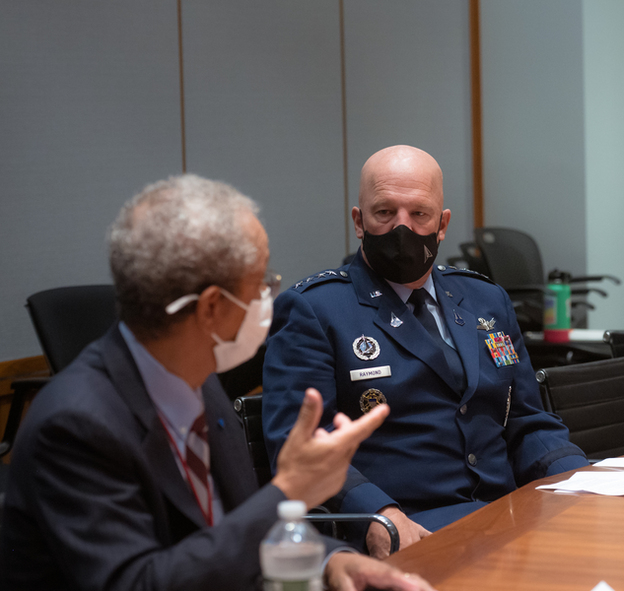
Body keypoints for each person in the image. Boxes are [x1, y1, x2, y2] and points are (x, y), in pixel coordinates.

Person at [0, 175, 434, 591]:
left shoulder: (199, 383)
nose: (271, 295)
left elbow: (234, 530)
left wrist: (331, 560)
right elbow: (140, 582)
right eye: (262, 283)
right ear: (211, 307)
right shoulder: (75, 426)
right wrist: (290, 490)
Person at [263, 145, 588, 558]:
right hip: (410, 526)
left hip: (508, 517)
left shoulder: (485, 299)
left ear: (442, 224)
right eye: (385, 212)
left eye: (419, 213)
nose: (403, 227)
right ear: (359, 222)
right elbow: (301, 445)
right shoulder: (315, 308)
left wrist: (581, 479)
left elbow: (526, 420)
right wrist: (377, 513)